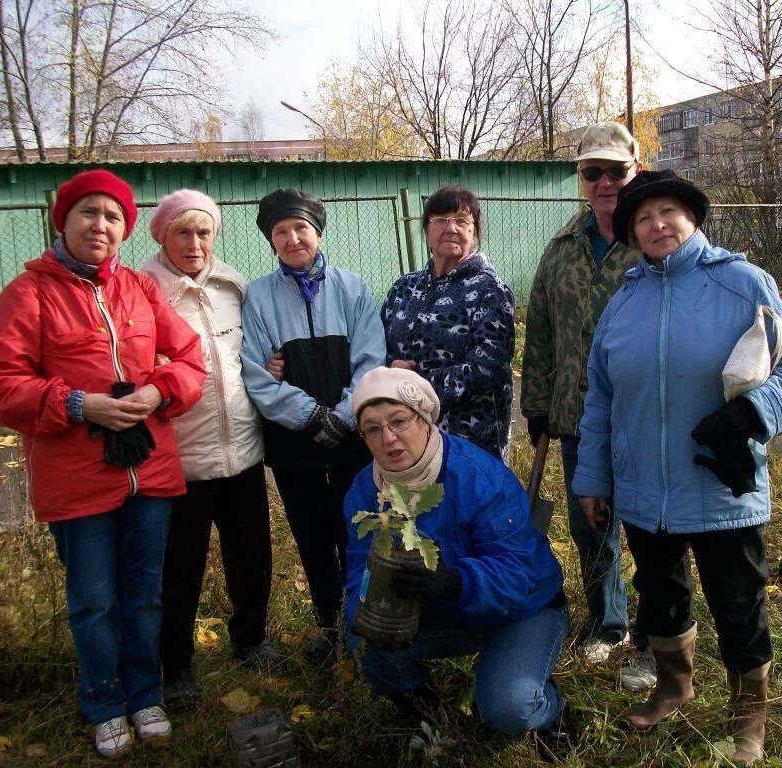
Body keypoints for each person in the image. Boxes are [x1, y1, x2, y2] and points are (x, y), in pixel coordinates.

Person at [572, 169, 782, 764]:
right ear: (632, 231)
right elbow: (600, 397)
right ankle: (673, 686)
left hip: (719, 484)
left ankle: (747, 718)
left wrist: (755, 411)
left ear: (692, 218)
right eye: (642, 218)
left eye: (668, 213)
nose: (657, 225)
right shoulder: (624, 301)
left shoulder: (741, 283)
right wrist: (591, 478)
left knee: (738, 603)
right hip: (644, 490)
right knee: (660, 595)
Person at [0, 169, 206, 757]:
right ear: (63, 219)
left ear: (126, 230)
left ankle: (146, 694)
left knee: (145, 593)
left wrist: (157, 393)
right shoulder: (27, 293)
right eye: (89, 212)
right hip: (78, 480)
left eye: (114, 217)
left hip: (151, 472)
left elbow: (189, 357)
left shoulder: (139, 289)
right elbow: (2, 385)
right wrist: (79, 405)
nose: (101, 226)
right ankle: (105, 702)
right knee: (93, 598)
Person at [343, 366, 573, 760]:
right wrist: (362, 613)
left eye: (399, 421)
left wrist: (453, 582)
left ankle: (551, 709)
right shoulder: (367, 491)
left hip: (521, 609)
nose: (389, 438)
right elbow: (357, 574)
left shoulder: (477, 477)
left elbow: (518, 572)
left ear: (424, 418)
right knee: (362, 637)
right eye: (372, 429)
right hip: (444, 613)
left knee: (508, 707)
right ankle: (428, 713)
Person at [521, 122, 652, 685]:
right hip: (578, 419)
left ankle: (653, 638)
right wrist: (537, 404)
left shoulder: (652, 240)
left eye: (615, 171)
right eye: (592, 172)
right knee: (590, 523)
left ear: (635, 172)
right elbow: (543, 331)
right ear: (580, 178)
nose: (604, 182)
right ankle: (607, 623)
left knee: (650, 529)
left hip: (646, 419)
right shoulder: (561, 250)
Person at [141, 189, 275, 710]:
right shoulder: (144, 291)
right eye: (183, 232)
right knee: (180, 566)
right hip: (182, 454)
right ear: (163, 236)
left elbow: (260, 344)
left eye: (204, 232)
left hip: (242, 448)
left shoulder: (234, 285)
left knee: (252, 554)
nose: (194, 243)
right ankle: (174, 666)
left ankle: (251, 638)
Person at [240, 188, 385, 660]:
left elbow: (370, 358)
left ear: (317, 233)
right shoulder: (258, 296)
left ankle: (363, 621)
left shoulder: (351, 287)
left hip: (350, 437)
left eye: (301, 228)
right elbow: (256, 374)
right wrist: (308, 415)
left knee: (356, 527)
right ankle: (330, 626)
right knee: (311, 534)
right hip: (294, 442)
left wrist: (343, 416)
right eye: (281, 231)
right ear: (271, 240)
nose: (292, 238)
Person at [381, 186, 515, 459]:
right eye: (440, 220)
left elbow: (488, 368)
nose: (450, 228)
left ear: (474, 231)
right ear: (427, 230)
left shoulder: (490, 290)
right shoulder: (404, 287)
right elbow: (376, 345)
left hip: (468, 441)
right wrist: (387, 371)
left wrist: (414, 388)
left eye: (462, 220)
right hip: (404, 439)